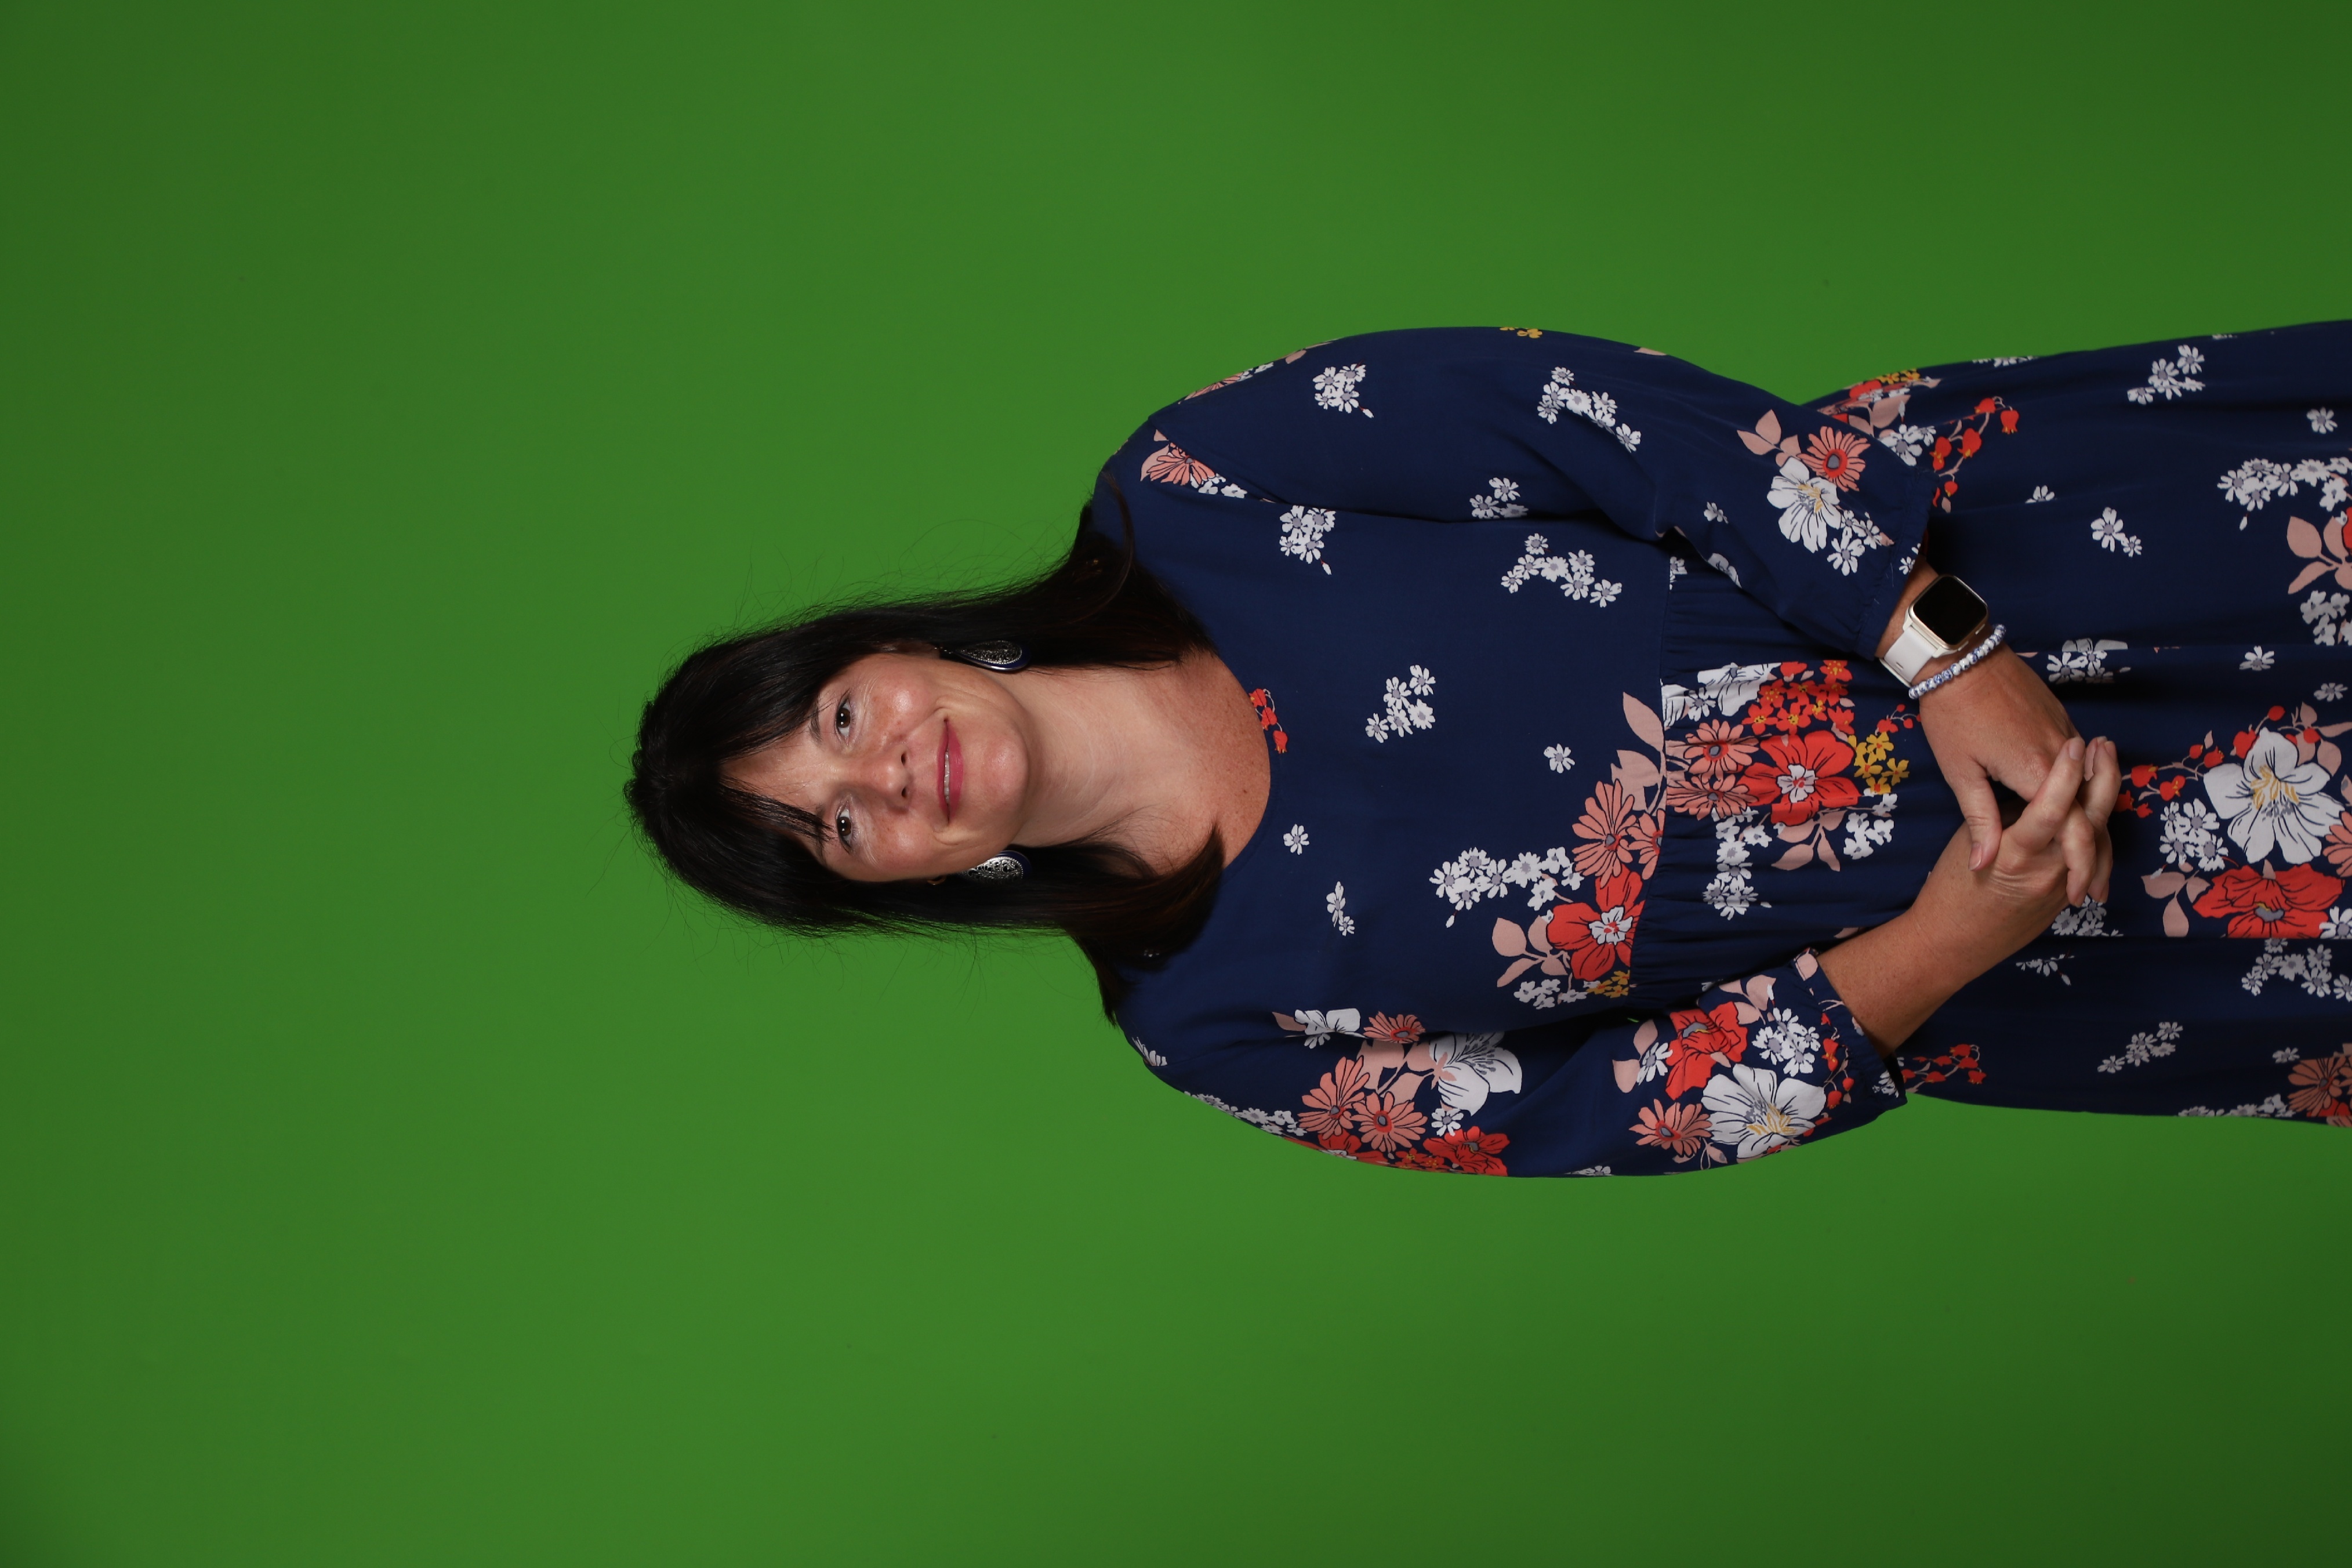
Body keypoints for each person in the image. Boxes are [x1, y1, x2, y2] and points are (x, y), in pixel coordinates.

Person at [628, 324, 2352, 1175]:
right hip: (2071, 921)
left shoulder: (1198, 486)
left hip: (2017, 559)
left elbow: (1592, 415)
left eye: (838, 720)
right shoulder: (1207, 1019)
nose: (882, 775)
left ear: (889, 645)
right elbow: (1611, 1113)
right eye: (836, 828)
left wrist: (1941, 645)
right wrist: (1960, 938)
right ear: (897, 884)